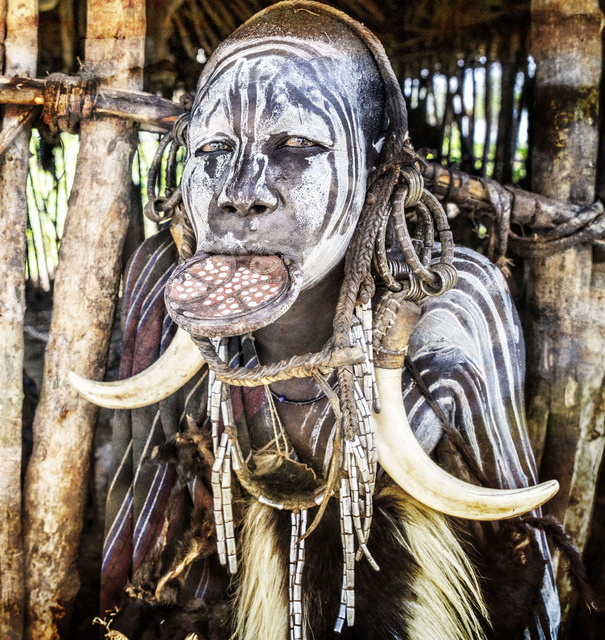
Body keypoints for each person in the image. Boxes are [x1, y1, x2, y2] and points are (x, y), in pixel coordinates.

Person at [84, 3, 561, 638]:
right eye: (214, 149)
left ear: (375, 165)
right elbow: (143, 524)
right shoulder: (167, 290)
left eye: (297, 146)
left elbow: (520, 560)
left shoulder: (451, 303)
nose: (240, 190)